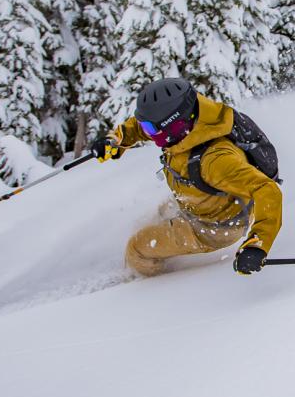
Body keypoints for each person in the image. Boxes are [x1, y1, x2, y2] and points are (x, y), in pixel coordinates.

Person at [92, 77, 282, 277]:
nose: (146, 132)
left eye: (150, 129)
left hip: (213, 228)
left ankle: (151, 285)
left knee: (136, 249)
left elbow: (267, 190)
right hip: (198, 201)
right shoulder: (191, 121)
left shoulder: (216, 161)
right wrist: (116, 140)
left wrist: (257, 245)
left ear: (174, 126)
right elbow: (140, 128)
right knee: (155, 216)